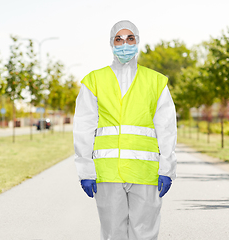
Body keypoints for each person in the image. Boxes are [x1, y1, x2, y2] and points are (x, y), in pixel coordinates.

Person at [73, 20, 177, 240]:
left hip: (145, 172)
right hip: (107, 173)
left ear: (137, 41)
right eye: (118, 39)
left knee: (145, 233)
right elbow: (83, 128)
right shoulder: (94, 81)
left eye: (130, 38)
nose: (124, 44)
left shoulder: (156, 81)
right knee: (113, 234)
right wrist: (85, 171)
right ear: (111, 43)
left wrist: (167, 169)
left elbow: (167, 129)